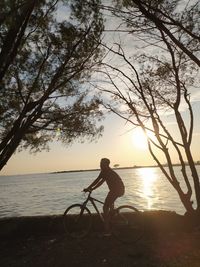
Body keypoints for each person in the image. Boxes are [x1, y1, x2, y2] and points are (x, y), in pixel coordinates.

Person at [83, 158, 125, 234]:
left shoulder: (107, 172)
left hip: (116, 190)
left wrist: (89, 188)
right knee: (110, 205)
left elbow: (97, 180)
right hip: (116, 190)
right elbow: (100, 182)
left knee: (105, 207)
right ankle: (112, 222)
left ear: (106, 164)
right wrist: (92, 189)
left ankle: (107, 230)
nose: (100, 165)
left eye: (102, 164)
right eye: (100, 163)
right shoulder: (105, 171)